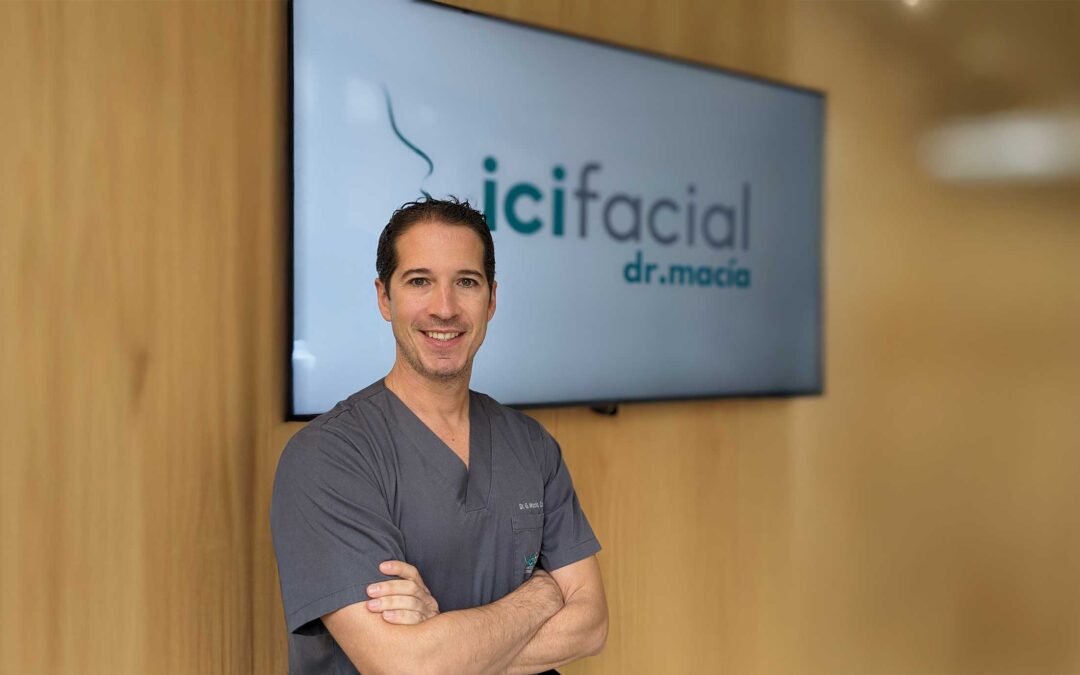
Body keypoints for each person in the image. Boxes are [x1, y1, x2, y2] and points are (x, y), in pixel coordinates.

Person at [271, 197, 608, 674]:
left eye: (466, 282)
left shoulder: (531, 445)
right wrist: (542, 595)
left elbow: (591, 625)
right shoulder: (329, 456)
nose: (444, 308)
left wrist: (444, 641)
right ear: (384, 298)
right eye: (419, 281)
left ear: (491, 299)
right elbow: (405, 665)